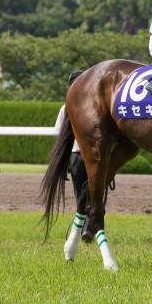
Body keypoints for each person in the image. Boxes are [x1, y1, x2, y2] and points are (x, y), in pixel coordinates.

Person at [55, 70, 93, 242]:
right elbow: (60, 138)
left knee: (96, 192)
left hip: (93, 156)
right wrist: (61, 164)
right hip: (76, 155)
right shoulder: (66, 108)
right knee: (81, 193)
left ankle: (91, 226)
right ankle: (86, 227)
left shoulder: (98, 105)